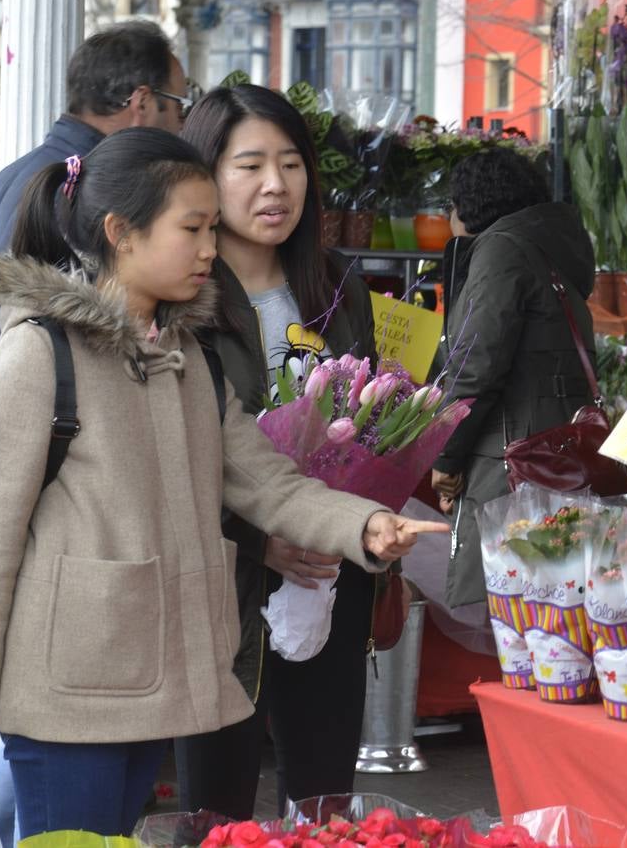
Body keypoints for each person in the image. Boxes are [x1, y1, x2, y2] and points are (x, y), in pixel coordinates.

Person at [0, 128, 443, 839]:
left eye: (211, 229)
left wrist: (364, 524)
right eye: (192, 229)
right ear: (121, 233)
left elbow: (269, 484)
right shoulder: (38, 355)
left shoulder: (188, 357)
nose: (210, 249)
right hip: (67, 690)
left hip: (157, 683)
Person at [0, 21, 191, 526]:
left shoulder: (11, 177)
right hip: (46, 513)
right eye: (180, 103)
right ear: (142, 102)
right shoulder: (82, 198)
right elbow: (50, 373)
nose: (184, 124)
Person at [174, 84, 378, 816]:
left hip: (329, 573)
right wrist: (261, 539)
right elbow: (170, 455)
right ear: (206, 175)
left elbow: (370, 425)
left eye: (291, 166)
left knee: (324, 796)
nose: (275, 186)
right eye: (250, 165)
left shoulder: (338, 287)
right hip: (224, 583)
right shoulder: (181, 300)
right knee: (216, 806)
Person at [430, 149, 598, 607]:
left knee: (511, 609)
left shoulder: (501, 251)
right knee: (550, 601)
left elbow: (476, 362)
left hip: (511, 463)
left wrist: (446, 455)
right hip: (553, 454)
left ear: (468, 205)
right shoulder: (549, 248)